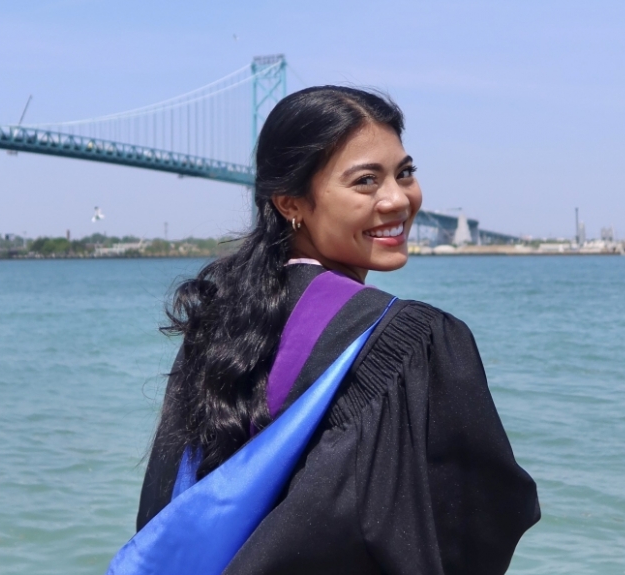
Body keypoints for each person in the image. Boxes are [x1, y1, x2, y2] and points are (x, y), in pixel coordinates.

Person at [135, 86, 539, 574]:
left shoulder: (220, 320)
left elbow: (163, 502)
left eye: (404, 173)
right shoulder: (412, 340)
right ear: (291, 204)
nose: (398, 199)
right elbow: (477, 521)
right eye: (366, 181)